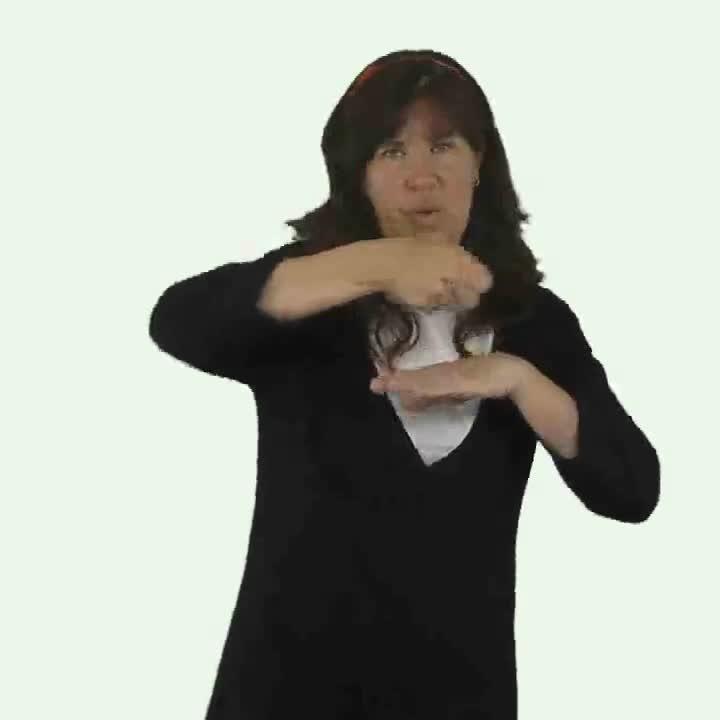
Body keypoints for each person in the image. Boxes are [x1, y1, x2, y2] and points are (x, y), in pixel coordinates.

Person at [148, 49, 660, 720]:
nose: (422, 176)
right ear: (357, 175)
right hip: (282, 692)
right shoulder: (316, 297)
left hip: (461, 699)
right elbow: (178, 321)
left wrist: (515, 378)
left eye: (444, 146)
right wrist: (377, 263)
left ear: (479, 163)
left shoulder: (533, 321)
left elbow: (632, 488)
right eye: (391, 151)